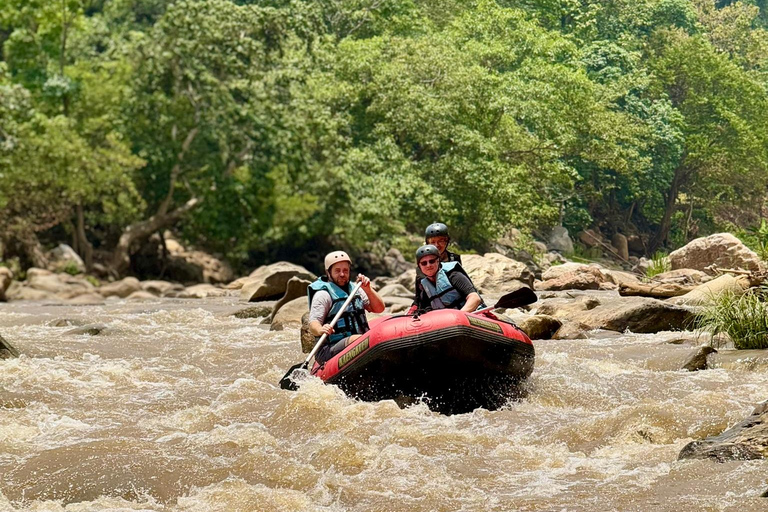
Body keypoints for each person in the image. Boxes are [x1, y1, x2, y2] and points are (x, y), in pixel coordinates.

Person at [307, 250, 385, 364]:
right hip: (329, 348)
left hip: (359, 341)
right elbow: (313, 324)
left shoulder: (356, 289)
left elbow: (379, 309)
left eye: (345, 270)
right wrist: (320, 329)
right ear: (328, 272)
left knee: (364, 338)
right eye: (337, 271)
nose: (342, 274)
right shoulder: (323, 295)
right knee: (359, 339)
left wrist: (368, 289)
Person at [409, 244, 483, 313]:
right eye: (424, 263)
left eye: (432, 261)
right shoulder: (425, 287)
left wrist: (459, 316)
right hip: (447, 321)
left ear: (438, 261)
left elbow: (475, 298)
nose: (428, 265)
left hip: (471, 314)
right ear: (419, 266)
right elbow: (424, 309)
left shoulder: (454, 275)